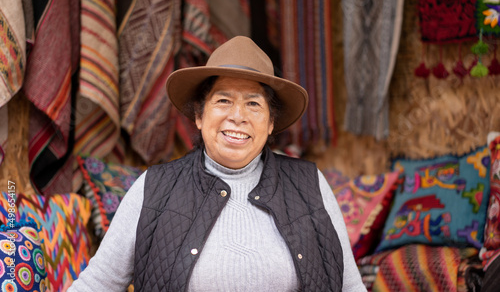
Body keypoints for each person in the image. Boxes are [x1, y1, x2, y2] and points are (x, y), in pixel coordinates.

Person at [69, 36, 366, 291]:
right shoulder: (155, 188)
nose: (238, 116)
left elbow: (349, 286)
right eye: (223, 101)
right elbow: (98, 283)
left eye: (253, 103)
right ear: (199, 116)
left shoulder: (308, 185)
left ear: (271, 122)